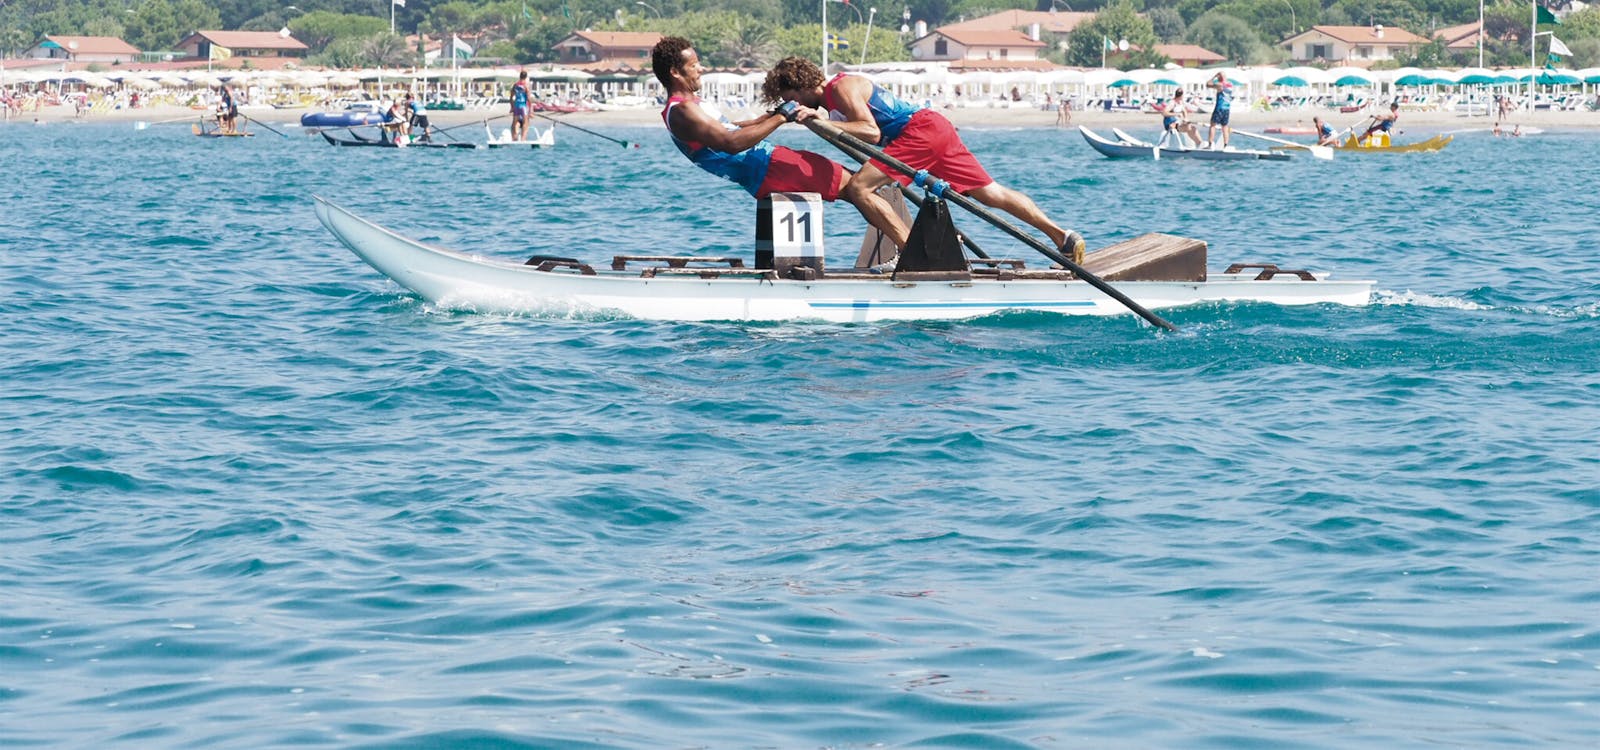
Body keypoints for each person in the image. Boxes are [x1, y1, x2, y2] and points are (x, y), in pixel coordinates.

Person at [761, 56, 1084, 264]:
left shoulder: (840, 88)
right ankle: (1062, 237)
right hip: (933, 128)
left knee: (859, 189)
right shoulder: (832, 100)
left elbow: (870, 133)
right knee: (990, 193)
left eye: (790, 98)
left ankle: (912, 253)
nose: (792, 103)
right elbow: (855, 133)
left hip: (918, 133)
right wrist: (815, 121)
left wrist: (823, 122)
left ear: (799, 86)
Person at [651, 37, 910, 260]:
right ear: (675, 72)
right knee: (857, 188)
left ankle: (909, 245)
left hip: (769, 165)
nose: (701, 69)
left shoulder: (691, 105)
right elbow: (732, 143)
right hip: (769, 168)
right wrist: (782, 117)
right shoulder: (683, 111)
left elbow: (734, 128)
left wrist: (772, 115)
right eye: (694, 65)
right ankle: (911, 251)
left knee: (858, 186)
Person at [1203, 71, 1233, 149]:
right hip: (1227, 108)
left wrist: (1214, 77)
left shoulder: (1220, 85)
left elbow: (1207, 84)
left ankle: (1210, 144)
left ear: (1219, 77)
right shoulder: (1230, 84)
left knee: (1213, 125)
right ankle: (1225, 145)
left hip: (1220, 107)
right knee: (1225, 126)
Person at [509, 70, 532, 141]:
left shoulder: (515, 85)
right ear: (526, 77)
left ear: (520, 76)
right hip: (523, 106)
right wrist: (531, 110)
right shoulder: (526, 85)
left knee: (514, 122)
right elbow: (528, 99)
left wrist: (512, 107)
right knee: (526, 122)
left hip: (516, 105)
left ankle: (514, 137)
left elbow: (511, 97)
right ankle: (523, 138)